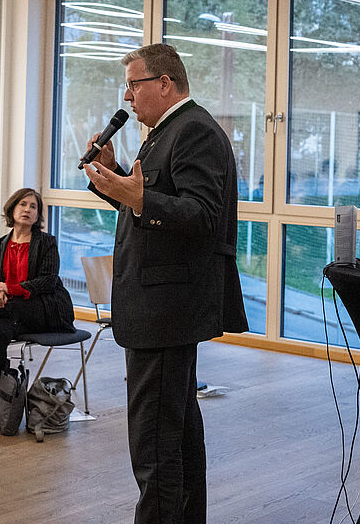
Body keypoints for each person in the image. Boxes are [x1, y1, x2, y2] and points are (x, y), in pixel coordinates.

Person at [84, 43, 248, 524]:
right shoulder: (164, 132)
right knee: (176, 437)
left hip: (166, 309)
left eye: (133, 85)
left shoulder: (192, 130)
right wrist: (116, 178)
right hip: (159, 307)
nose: (128, 97)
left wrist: (139, 198)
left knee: (155, 446)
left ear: (164, 83)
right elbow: (154, 205)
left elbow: (202, 216)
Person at [0, 188, 75, 432]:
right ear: (12, 208)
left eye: (33, 206)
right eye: (23, 204)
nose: (27, 210)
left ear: (38, 215)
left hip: (43, 310)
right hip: (8, 311)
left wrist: (8, 288)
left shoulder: (46, 243)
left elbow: (48, 281)